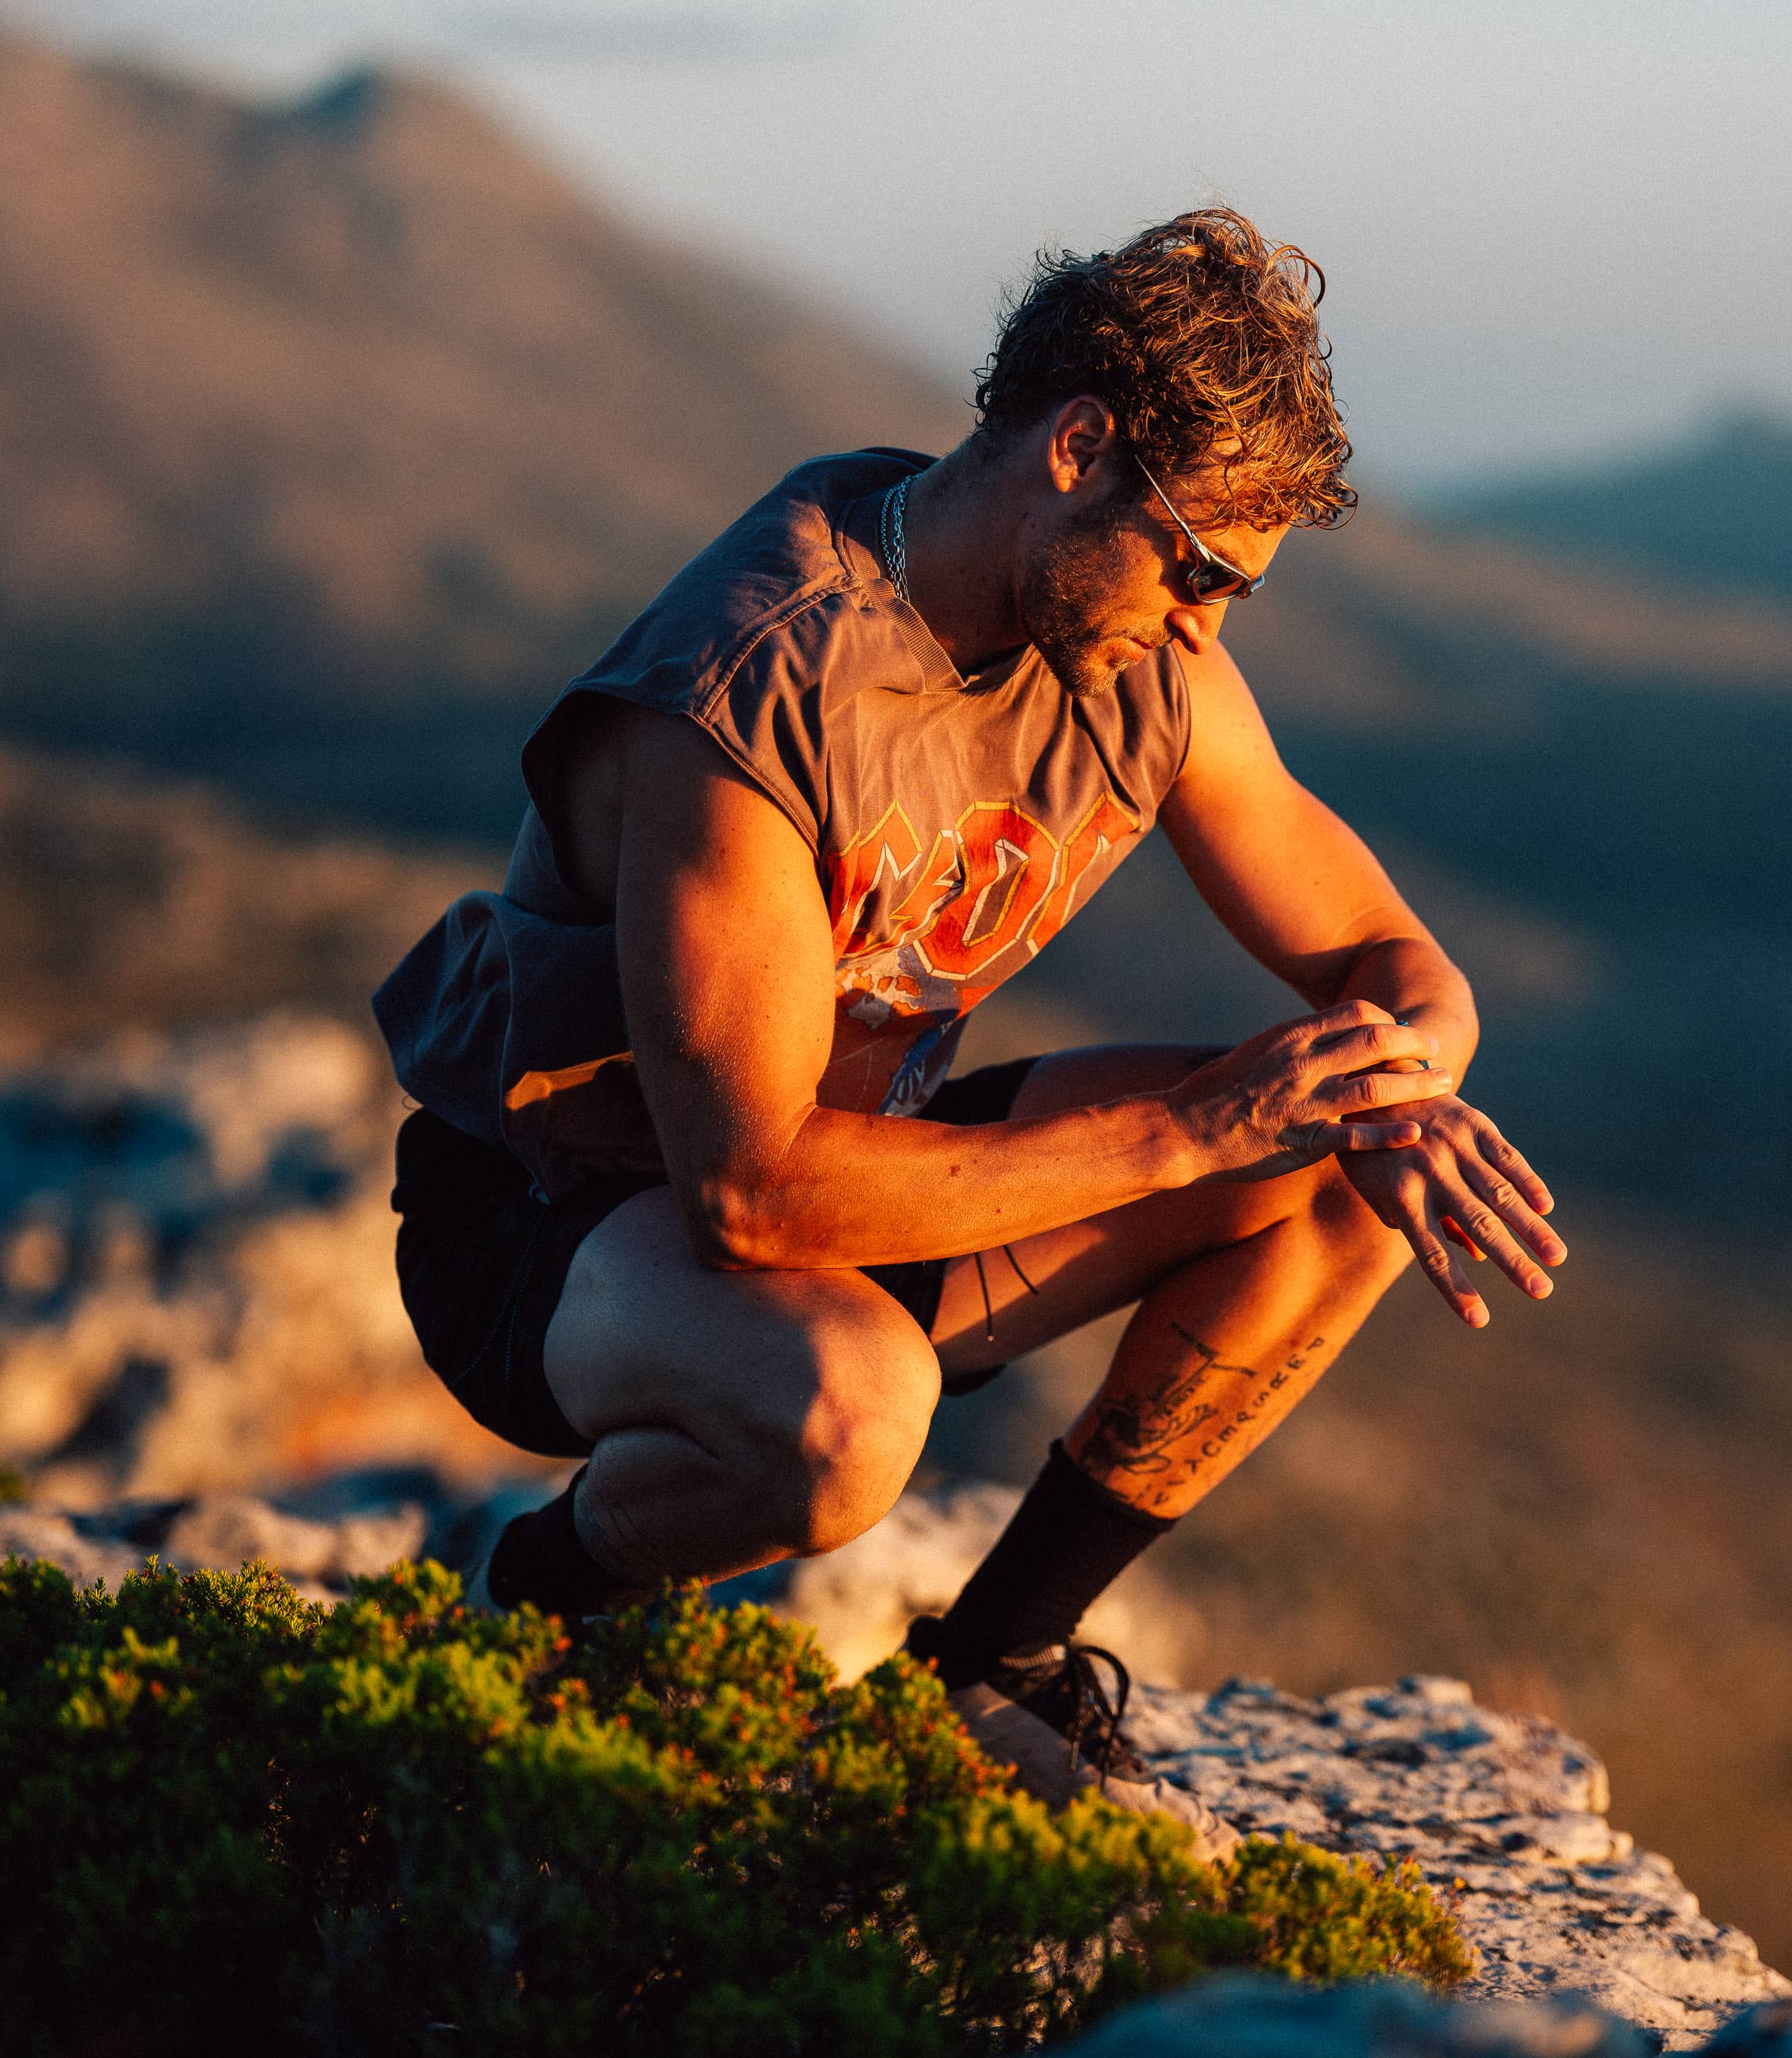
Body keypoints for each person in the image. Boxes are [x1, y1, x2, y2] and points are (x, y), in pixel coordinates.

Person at [373, 207, 1565, 1854]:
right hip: (564, 1223)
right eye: (1203, 567)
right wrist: (1195, 1128)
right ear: (1079, 450)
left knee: (1343, 1177)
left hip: (872, 1176)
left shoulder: (1137, 653)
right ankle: (545, 1586)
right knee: (851, 1416)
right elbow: (754, 1197)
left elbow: (1387, 955)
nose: (1211, 626)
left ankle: (988, 1669)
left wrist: (1395, 1084)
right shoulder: (755, 688)